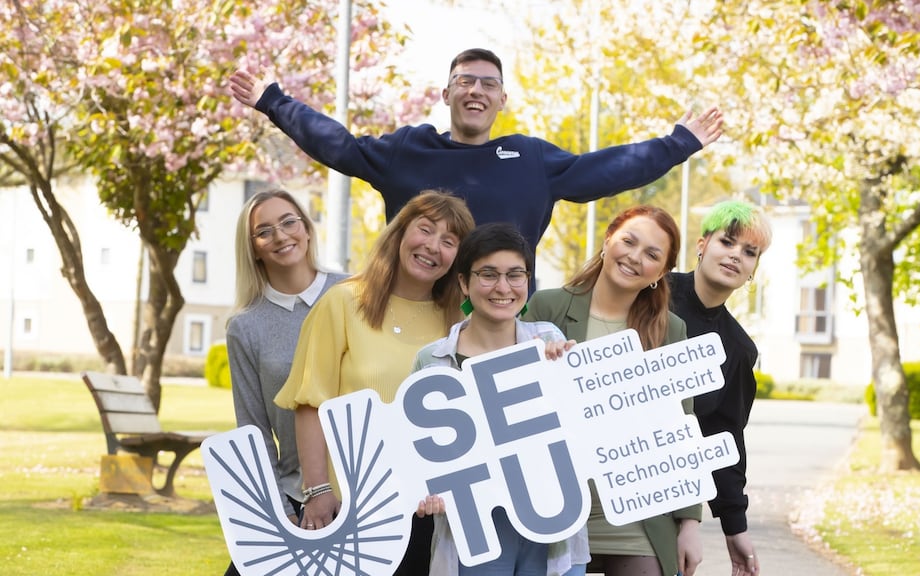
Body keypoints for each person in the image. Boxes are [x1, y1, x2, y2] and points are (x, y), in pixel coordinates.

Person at [228, 48, 724, 256]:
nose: (476, 91)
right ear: (446, 94)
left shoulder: (531, 160)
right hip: (416, 315)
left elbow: (609, 169)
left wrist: (678, 143)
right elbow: (340, 146)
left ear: (501, 100)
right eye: (465, 81)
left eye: (488, 84)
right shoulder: (408, 150)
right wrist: (275, 102)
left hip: (502, 322)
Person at [274, 190, 475, 576]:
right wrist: (318, 491)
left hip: (425, 511)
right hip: (350, 506)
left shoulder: (459, 323)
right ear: (401, 233)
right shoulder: (343, 303)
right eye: (426, 230)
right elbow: (310, 403)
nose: (433, 246)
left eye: (449, 241)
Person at [523, 206, 702, 576]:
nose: (635, 257)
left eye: (652, 254)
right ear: (607, 242)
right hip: (555, 509)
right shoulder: (547, 306)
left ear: (662, 273)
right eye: (628, 241)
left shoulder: (670, 330)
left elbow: (682, 427)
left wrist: (689, 524)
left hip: (637, 514)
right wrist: (538, 362)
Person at [410, 222, 574, 576]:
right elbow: (416, 454)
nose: (503, 288)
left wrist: (564, 369)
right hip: (475, 532)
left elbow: (576, 429)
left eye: (515, 275)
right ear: (463, 282)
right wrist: (425, 491)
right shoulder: (432, 360)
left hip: (550, 527)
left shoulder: (549, 340)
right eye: (488, 275)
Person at [222, 189, 347, 576]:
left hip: (364, 487)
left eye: (289, 222)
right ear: (253, 249)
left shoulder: (354, 293)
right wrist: (279, 509)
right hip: (299, 497)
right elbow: (254, 428)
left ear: (307, 229)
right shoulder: (245, 327)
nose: (280, 236)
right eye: (264, 231)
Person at [667, 200, 772, 576]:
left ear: (753, 270)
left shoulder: (738, 350)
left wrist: (735, 527)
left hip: (663, 495)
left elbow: (723, 437)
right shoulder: (651, 291)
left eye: (749, 252)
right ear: (702, 245)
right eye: (727, 242)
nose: (735, 255)